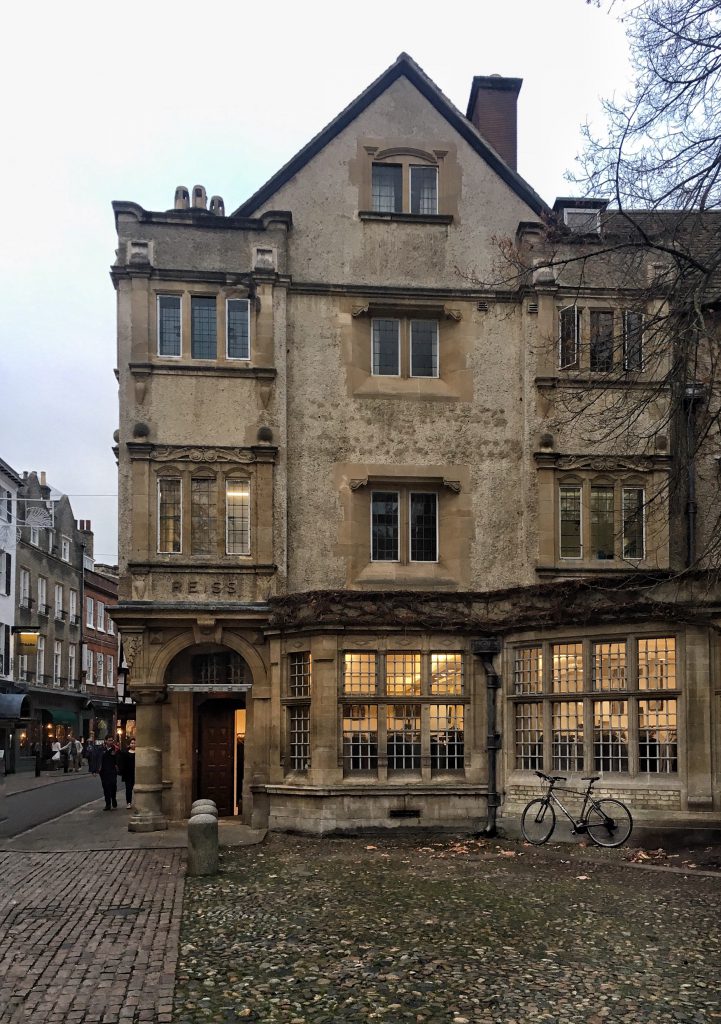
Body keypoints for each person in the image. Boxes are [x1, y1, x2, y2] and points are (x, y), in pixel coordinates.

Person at [98, 735, 119, 811]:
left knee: (113, 786)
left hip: (112, 771)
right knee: (106, 787)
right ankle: (108, 804)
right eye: (109, 740)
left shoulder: (115, 749)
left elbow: (118, 760)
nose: (110, 742)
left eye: (112, 740)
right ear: (105, 741)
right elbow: (97, 759)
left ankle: (113, 798)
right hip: (103, 771)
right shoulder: (101, 749)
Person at [118, 738, 136, 808]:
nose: (133, 744)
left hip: (136, 773)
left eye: (134, 743)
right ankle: (128, 802)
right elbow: (122, 763)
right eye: (132, 743)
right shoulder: (125, 753)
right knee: (128, 789)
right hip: (128, 773)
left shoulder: (139, 753)